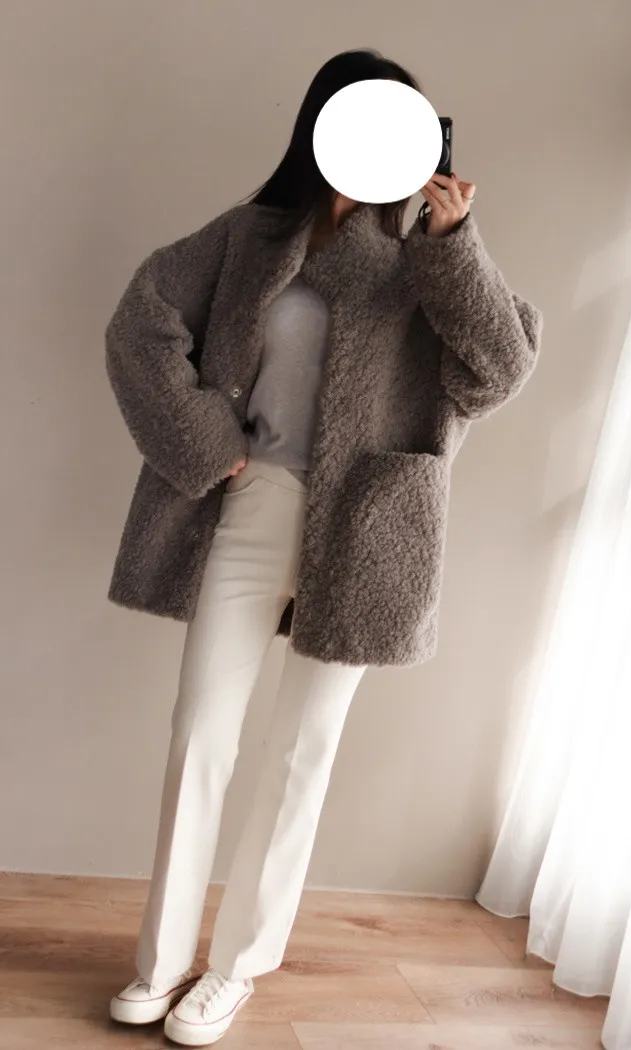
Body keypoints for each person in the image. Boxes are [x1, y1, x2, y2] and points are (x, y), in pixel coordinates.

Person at [105, 47, 543, 1047]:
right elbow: (142, 321)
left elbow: (499, 369)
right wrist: (206, 442)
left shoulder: (428, 251)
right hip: (253, 504)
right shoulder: (254, 236)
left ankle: (233, 970)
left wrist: (454, 242)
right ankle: (159, 964)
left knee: (302, 752)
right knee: (201, 736)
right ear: (322, 125)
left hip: (369, 524)